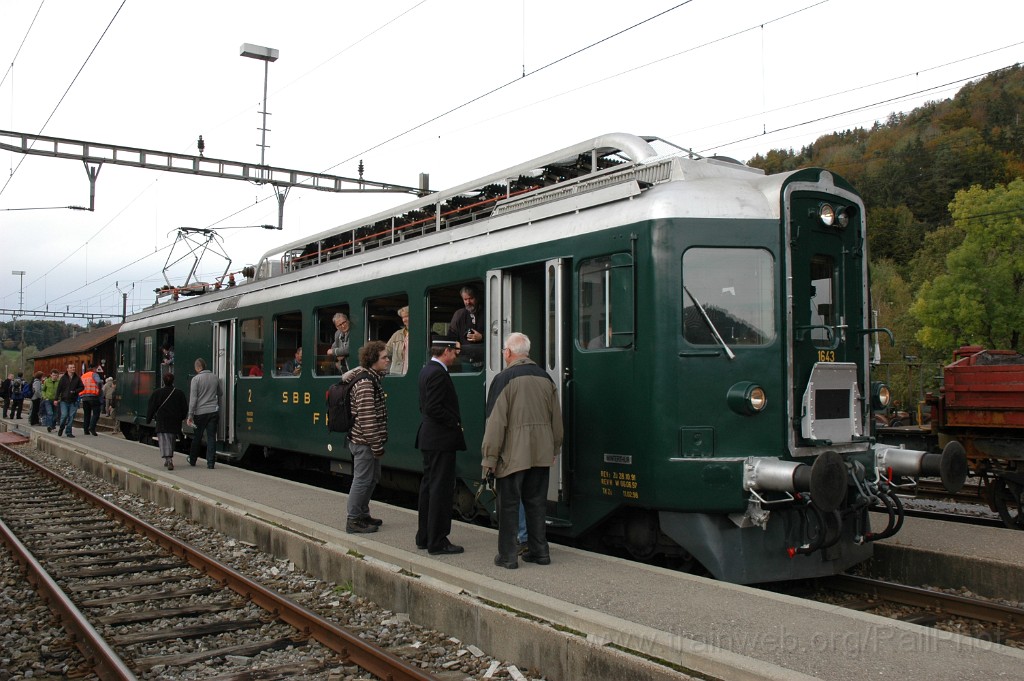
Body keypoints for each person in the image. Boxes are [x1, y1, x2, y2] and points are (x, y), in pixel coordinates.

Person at [482, 332, 563, 569]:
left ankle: (508, 557)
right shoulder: (545, 378)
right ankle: (540, 553)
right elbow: (557, 421)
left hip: (512, 456)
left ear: (508, 352)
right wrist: (554, 448)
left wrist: (489, 458)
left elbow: (495, 423)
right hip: (541, 453)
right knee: (536, 504)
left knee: (508, 505)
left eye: (503, 351)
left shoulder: (503, 379)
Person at [415, 339, 467, 555]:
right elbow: (433, 408)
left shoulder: (426, 370)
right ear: (446, 351)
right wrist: (453, 422)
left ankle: (424, 536)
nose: (456, 356)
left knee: (429, 487)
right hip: (440, 439)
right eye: (454, 352)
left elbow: (424, 406)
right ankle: (437, 541)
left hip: (430, 438)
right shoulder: (438, 373)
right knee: (440, 490)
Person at [343, 340, 391, 534]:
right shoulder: (365, 383)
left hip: (367, 442)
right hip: (364, 442)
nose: (388, 360)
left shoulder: (372, 377)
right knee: (362, 480)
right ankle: (353, 519)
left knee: (372, 478)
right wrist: (376, 445)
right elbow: (367, 418)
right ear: (373, 359)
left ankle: (363, 513)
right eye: (384, 357)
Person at [147, 373, 188, 470]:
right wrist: (181, 418)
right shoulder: (179, 393)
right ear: (173, 381)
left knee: (163, 440)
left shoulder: (157, 393)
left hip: (162, 421)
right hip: (174, 422)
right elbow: (184, 408)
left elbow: (151, 407)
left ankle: (168, 459)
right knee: (171, 440)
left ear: (163, 381)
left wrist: (148, 419)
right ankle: (168, 458)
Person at [187, 357, 222, 468]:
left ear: (198, 368)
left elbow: (193, 399)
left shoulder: (195, 379)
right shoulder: (215, 377)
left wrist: (190, 415)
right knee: (211, 437)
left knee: (197, 437)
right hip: (213, 411)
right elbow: (220, 393)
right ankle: (210, 463)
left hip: (200, 413)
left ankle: (192, 460)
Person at [448, 286, 484, 366]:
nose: (468, 302)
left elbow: (496, 335)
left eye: (471, 298)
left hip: (486, 359)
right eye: (465, 299)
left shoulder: (487, 312)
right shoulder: (458, 315)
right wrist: (455, 343)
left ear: (477, 298)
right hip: (465, 360)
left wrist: (482, 337)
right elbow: (451, 336)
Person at [55, 363, 84, 437]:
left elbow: (82, 387)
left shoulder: (77, 378)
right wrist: (56, 399)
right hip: (64, 400)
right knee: (64, 415)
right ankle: (61, 427)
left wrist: (75, 391)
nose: (73, 369)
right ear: (67, 369)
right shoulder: (63, 378)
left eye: (73, 367)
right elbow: (59, 389)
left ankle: (68, 432)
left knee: (71, 416)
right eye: (71, 367)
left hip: (73, 400)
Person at [385, 306, 410, 376]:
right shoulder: (397, 334)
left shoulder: (420, 333)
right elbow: (386, 350)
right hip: (397, 374)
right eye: (402, 317)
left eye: (407, 316)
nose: (404, 320)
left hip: (414, 374)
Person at [79, 364, 103, 436]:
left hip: (84, 397)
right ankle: (92, 427)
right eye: (95, 368)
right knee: (96, 413)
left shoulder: (83, 376)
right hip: (93, 396)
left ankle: (86, 430)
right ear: (94, 368)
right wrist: (100, 390)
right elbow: (99, 382)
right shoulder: (94, 374)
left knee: (87, 414)